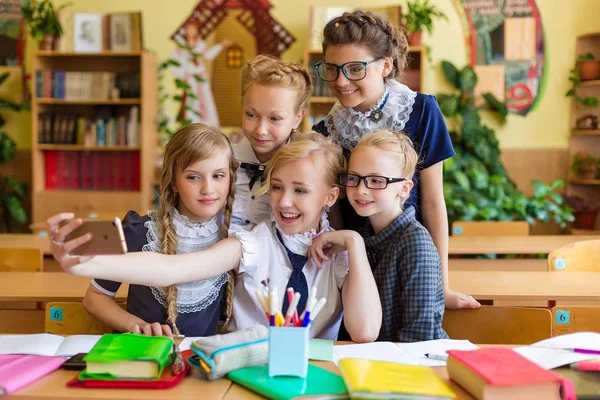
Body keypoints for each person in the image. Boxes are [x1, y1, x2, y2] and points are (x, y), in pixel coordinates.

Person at [48, 132, 381, 342]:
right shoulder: (255, 240)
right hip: (244, 372)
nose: (283, 201)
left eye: (300, 190)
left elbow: (365, 331)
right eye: (276, 187)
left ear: (330, 196)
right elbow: (172, 269)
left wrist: (353, 242)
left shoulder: (341, 253)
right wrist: (85, 262)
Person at [312, 10, 479, 310]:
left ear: (386, 65)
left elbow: (432, 202)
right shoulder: (325, 131)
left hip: (412, 264)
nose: (341, 80)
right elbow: (334, 211)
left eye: (355, 68)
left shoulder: (421, 111)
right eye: (333, 69)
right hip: (354, 273)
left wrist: (442, 287)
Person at [50, 124, 238, 337]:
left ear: (231, 177)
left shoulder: (233, 234)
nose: (208, 189)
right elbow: (95, 298)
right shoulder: (140, 230)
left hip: (201, 361)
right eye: (193, 177)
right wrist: (136, 326)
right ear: (173, 182)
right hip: (143, 356)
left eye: (218, 176)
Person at [311, 130, 448, 342]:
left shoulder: (415, 242)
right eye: (354, 178)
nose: (361, 190)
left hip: (414, 364)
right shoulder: (363, 236)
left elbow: (420, 336)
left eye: (376, 180)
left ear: (404, 189)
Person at [231, 55, 313, 231]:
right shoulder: (223, 159)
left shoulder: (307, 168)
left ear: (297, 119)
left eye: (275, 118)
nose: (261, 130)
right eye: (251, 115)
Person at [170, 17, 232, 127]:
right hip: (190, 78)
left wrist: (220, 45)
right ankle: (192, 125)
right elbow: (176, 62)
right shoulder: (181, 46)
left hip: (200, 77)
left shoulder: (200, 45)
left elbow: (208, 55)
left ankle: (208, 125)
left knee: (205, 99)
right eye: (189, 28)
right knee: (191, 100)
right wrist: (181, 76)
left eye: (193, 29)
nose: (191, 31)